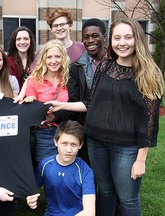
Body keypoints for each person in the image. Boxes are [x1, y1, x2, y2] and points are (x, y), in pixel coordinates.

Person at [46, 18, 164, 216]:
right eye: (117, 38)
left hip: (126, 147)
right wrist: (61, 105)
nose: (122, 43)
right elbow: (91, 102)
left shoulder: (148, 74)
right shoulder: (105, 67)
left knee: (128, 199)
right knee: (106, 191)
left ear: (137, 39)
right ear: (111, 41)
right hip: (96, 142)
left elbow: (149, 123)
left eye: (128, 37)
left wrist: (141, 160)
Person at [53, 18, 107, 165]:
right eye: (86, 37)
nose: (90, 40)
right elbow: (73, 101)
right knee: (93, 174)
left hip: (113, 130)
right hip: (88, 129)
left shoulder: (116, 64)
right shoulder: (76, 68)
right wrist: (55, 116)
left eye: (95, 35)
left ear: (104, 36)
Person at [26, 120, 95, 216]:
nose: (68, 149)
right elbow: (32, 191)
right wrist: (31, 199)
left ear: (80, 145)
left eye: (73, 144)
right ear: (55, 142)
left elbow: (90, 211)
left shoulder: (85, 171)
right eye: (64, 143)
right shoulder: (45, 165)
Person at [23, 40, 69, 163]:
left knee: (66, 168)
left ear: (63, 58)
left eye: (57, 56)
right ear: (44, 59)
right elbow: (31, 108)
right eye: (49, 57)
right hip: (45, 132)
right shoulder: (34, 80)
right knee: (47, 168)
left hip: (67, 131)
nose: (53, 61)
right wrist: (30, 99)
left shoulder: (69, 78)